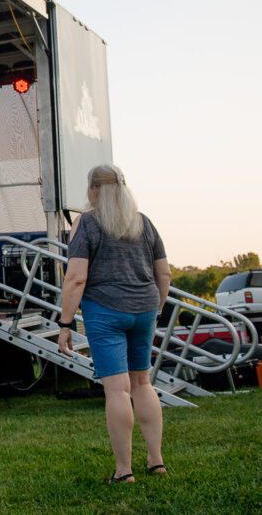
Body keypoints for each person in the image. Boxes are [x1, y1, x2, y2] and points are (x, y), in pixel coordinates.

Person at [57, 164, 171, 484]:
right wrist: (156, 307)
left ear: (93, 190)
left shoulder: (87, 223)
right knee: (142, 383)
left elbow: (76, 278)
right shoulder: (144, 223)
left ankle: (124, 471)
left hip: (105, 311)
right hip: (145, 308)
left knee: (117, 390)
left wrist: (65, 323)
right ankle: (156, 461)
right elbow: (164, 274)